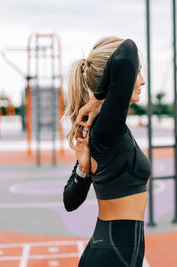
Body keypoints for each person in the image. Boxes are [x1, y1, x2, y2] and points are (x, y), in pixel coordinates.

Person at [62, 37, 150, 267]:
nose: (142, 81)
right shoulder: (106, 129)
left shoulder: (103, 128)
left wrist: (83, 169)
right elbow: (128, 48)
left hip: (110, 253)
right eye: (137, 72)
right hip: (112, 257)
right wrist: (99, 97)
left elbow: (70, 201)